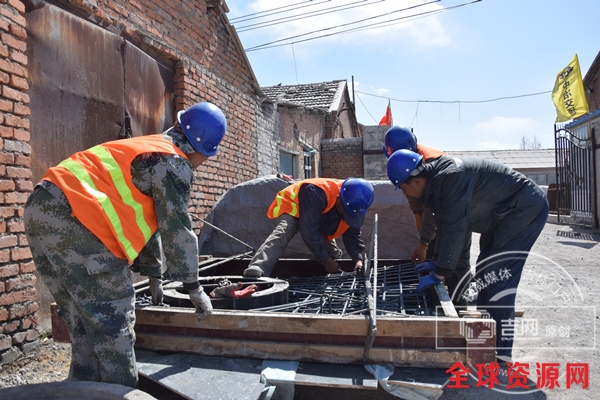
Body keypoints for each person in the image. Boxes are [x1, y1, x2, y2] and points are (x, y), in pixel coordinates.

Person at [24, 101, 227, 388]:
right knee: (113, 321)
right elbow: (177, 228)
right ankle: (121, 392)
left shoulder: (148, 147)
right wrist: (193, 287)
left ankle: (82, 388)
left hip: (41, 207)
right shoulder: (175, 161)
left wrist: (154, 275)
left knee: (81, 317)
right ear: (200, 148)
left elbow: (149, 222)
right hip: (77, 218)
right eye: (207, 156)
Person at [386, 149, 549, 362]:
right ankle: (485, 336)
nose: (406, 194)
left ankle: (501, 351)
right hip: (502, 216)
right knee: (484, 272)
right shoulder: (435, 185)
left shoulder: (449, 177)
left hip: (525, 209)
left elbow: (456, 227)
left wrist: (441, 272)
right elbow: (443, 226)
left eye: (404, 188)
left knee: (499, 276)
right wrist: (436, 262)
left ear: (415, 182)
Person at [383, 126, 472, 306]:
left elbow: (432, 210)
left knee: (456, 255)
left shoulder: (431, 163)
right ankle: (437, 297)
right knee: (436, 255)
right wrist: (423, 242)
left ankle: (459, 305)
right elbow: (418, 207)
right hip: (439, 209)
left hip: (455, 209)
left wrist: (424, 242)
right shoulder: (406, 165)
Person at [243, 178, 374, 278]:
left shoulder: (353, 203)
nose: (347, 217)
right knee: (285, 231)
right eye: (346, 213)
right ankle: (258, 267)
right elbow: (309, 230)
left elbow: (352, 235)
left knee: (331, 253)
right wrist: (326, 260)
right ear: (339, 199)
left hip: (318, 214)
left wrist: (358, 259)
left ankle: (332, 266)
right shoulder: (317, 192)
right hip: (294, 206)